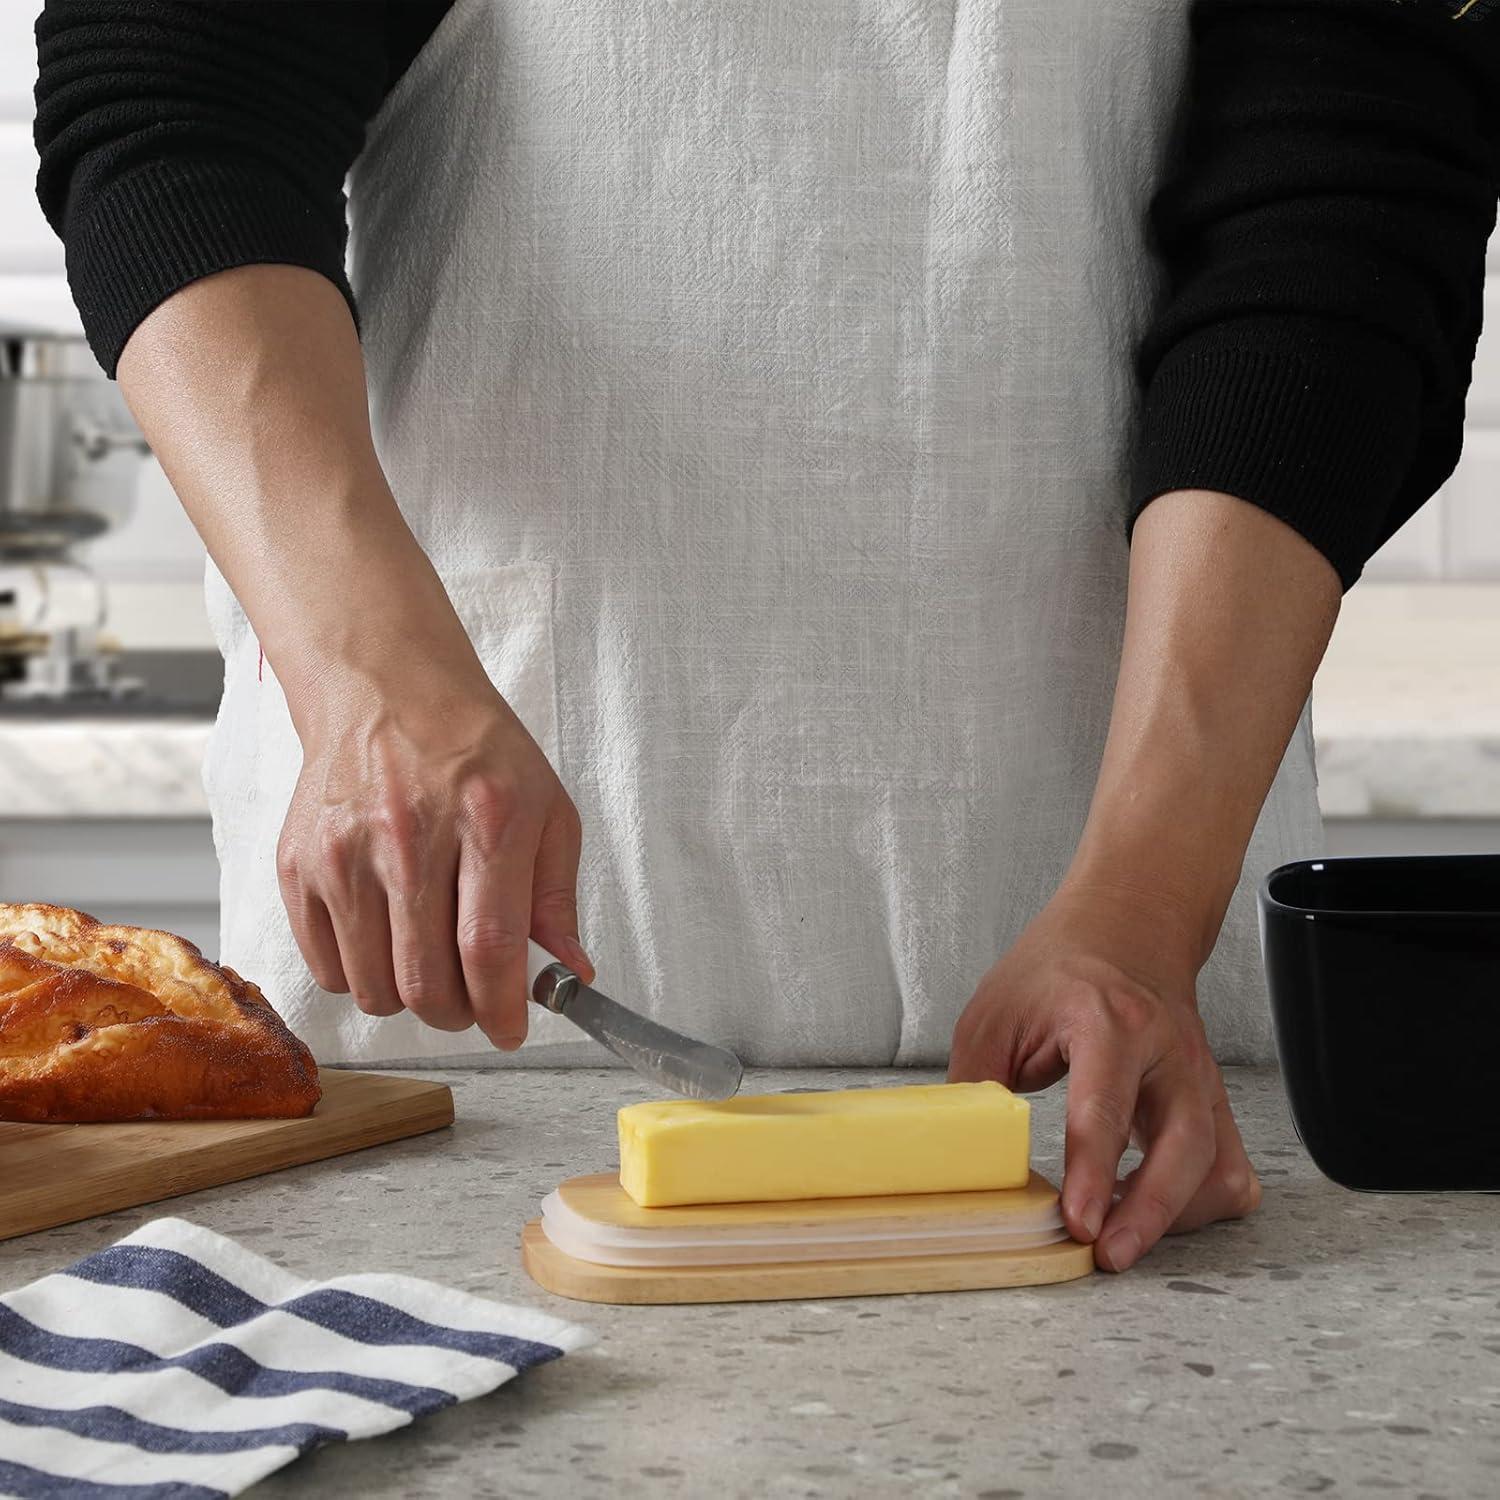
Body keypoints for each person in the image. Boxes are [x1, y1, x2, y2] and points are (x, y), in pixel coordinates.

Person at [34, 0, 1500, 1272]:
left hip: (1122, 1025)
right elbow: (176, 95)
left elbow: (1340, 224)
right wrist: (368, 687)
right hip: (455, 1033)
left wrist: (1142, 906)